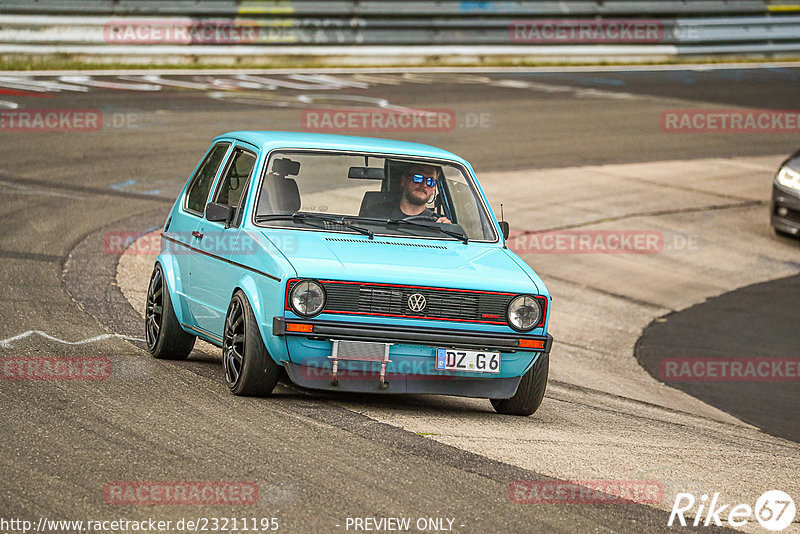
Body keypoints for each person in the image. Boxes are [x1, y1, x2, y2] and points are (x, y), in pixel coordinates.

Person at [371, 163, 451, 223]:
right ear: (404, 180)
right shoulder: (376, 214)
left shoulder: (438, 224)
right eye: (418, 178)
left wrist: (447, 229)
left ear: (434, 188)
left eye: (431, 181)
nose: (424, 184)